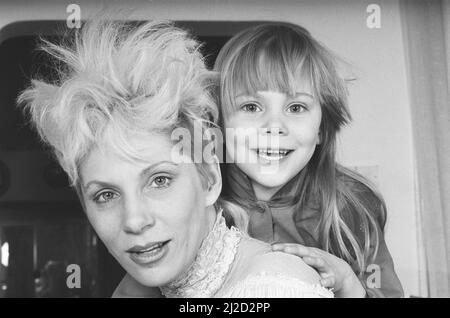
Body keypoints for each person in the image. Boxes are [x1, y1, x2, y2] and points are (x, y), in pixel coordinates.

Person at [18, 18, 333, 298]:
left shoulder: (275, 287)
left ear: (208, 176)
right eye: (106, 195)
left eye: (159, 180)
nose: (134, 220)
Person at [214, 22, 404, 298]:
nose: (274, 126)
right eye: (251, 106)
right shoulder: (197, 202)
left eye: (296, 107)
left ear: (321, 129)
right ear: (220, 123)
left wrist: (350, 285)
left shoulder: (353, 205)